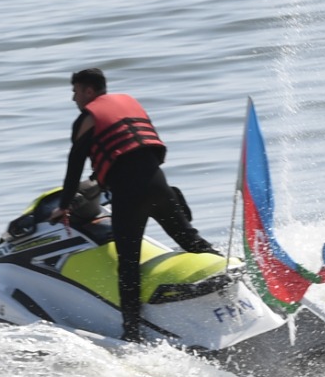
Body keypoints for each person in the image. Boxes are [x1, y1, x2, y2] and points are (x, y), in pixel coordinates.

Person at [58, 68, 216, 342]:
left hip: (129, 196)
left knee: (128, 265)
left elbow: (75, 166)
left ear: (88, 91)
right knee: (192, 242)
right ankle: (235, 278)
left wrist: (63, 206)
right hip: (160, 186)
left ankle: (132, 333)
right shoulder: (128, 104)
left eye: (75, 92)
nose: (73, 99)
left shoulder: (86, 119)